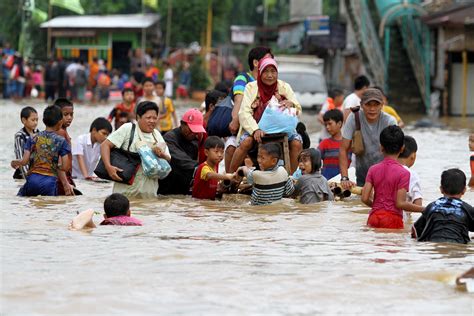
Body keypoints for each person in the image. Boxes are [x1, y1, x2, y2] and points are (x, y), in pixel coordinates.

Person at [230, 56, 302, 173]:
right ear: (260, 72)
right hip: (256, 129)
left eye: (273, 71)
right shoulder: (251, 87)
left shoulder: (284, 87)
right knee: (245, 142)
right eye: (266, 71)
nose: (270, 75)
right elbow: (244, 113)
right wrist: (255, 130)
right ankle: (230, 177)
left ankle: (291, 179)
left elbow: (298, 109)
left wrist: (291, 104)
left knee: (297, 143)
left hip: (282, 130)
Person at [101, 101, 171, 199]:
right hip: (125, 190)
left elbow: (168, 159)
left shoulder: (157, 135)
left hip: (149, 191)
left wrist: (161, 155)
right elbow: (105, 145)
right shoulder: (128, 128)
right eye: (148, 118)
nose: (152, 121)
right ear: (138, 117)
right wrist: (108, 167)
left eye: (155, 118)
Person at [361, 126, 424, 229]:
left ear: (381, 147)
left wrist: (377, 207)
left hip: (373, 217)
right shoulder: (404, 173)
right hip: (392, 219)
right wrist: (424, 209)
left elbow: (364, 198)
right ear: (402, 148)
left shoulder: (373, 169)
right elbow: (400, 203)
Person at [226, 47, 273, 172]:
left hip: (267, 128)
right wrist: (235, 119)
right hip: (247, 127)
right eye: (267, 59)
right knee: (237, 144)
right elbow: (239, 100)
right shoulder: (244, 79)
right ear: (256, 63)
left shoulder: (272, 82)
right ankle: (229, 179)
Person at [339, 88, 397, 188]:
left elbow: (397, 152)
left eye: (376, 105)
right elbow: (343, 149)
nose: (372, 109)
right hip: (362, 175)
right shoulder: (354, 118)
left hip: (386, 176)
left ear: (382, 105)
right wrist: (344, 178)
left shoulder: (389, 122)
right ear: (361, 105)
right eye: (368, 104)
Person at [11, 105, 71, 196]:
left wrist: (14, 162)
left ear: (43, 121)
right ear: (60, 122)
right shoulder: (61, 141)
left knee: (21, 202)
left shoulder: (33, 138)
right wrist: (53, 164)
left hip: (32, 181)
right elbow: (66, 167)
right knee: (48, 207)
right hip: (49, 183)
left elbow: (24, 161)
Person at [412, 169, 474, 244]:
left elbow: (415, 229)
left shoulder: (432, 207)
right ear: (464, 190)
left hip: (433, 245)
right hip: (457, 245)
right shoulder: (468, 209)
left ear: (441, 189)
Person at [158, 109, 206, 195]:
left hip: (184, 190)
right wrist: (202, 169)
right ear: (182, 124)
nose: (193, 133)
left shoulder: (195, 140)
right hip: (166, 190)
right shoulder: (169, 138)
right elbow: (180, 159)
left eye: (195, 131)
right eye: (190, 129)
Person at [70, 193, 142, 229]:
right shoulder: (138, 222)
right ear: (129, 213)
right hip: (130, 229)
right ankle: (88, 222)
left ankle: (88, 222)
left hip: (112, 226)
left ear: (105, 216)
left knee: (95, 229)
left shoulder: (109, 221)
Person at [318, 109, 351, 180]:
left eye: (330, 124)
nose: (327, 127)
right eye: (326, 124)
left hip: (345, 181)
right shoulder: (324, 143)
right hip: (327, 181)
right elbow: (315, 158)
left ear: (339, 124)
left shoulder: (349, 143)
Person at [54, 98, 77, 195]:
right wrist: (65, 183)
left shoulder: (62, 131)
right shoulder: (60, 132)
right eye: (65, 114)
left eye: (71, 114)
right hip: (61, 179)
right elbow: (59, 162)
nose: (69, 117)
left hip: (64, 177)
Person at [13, 106, 39, 179]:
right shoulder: (19, 136)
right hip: (22, 175)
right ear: (24, 120)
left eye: (37, 120)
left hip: (36, 173)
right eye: (33, 120)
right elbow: (20, 158)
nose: (35, 122)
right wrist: (28, 178)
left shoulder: (38, 133)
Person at [398, 136, 422, 205]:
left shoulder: (384, 169)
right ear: (413, 155)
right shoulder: (412, 175)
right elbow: (418, 204)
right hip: (401, 215)